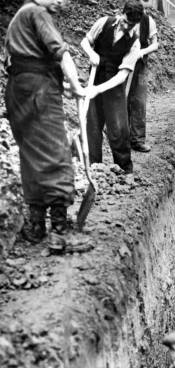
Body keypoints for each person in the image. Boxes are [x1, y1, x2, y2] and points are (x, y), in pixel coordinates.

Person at [4, 0, 94, 252]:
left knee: (32, 156)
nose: (62, 1)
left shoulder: (21, 16)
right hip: (37, 94)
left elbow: (28, 63)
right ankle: (60, 232)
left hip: (22, 92)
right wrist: (76, 86)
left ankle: (36, 225)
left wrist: (60, 86)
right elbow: (61, 53)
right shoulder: (37, 12)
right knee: (56, 154)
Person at [81, 1, 144, 173]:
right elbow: (85, 42)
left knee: (119, 127)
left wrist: (99, 89)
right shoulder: (104, 23)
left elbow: (122, 75)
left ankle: (124, 168)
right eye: (125, 21)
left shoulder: (135, 43)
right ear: (121, 14)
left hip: (114, 85)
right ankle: (94, 167)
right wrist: (91, 53)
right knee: (92, 125)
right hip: (95, 77)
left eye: (131, 25)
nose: (126, 26)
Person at [127, 0, 159, 152]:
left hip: (140, 66)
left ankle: (138, 140)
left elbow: (155, 44)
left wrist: (141, 52)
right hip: (123, 65)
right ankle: (123, 139)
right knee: (123, 100)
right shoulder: (124, 17)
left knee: (139, 102)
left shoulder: (148, 21)